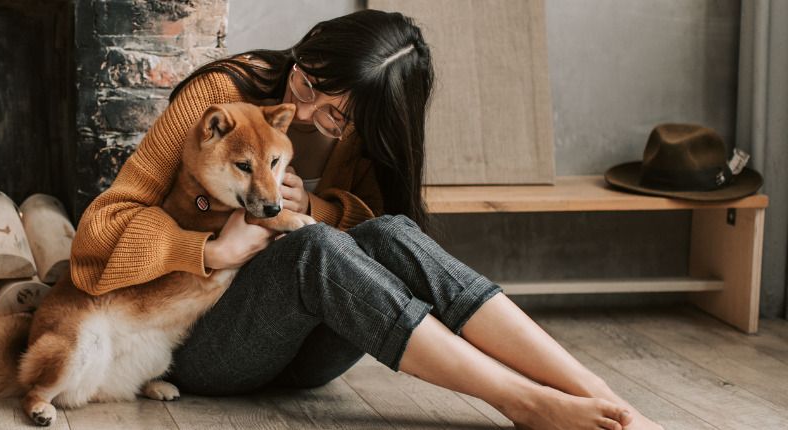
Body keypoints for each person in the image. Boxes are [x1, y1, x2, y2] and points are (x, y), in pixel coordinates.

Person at [68, 9, 660, 430]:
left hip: (305, 354)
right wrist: (206, 252)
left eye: (334, 117)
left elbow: (371, 234)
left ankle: (608, 402)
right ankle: (523, 403)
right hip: (192, 346)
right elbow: (100, 230)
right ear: (308, 49)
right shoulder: (223, 100)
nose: (303, 110)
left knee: (391, 233)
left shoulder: (365, 141)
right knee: (316, 250)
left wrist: (313, 208)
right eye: (307, 81)